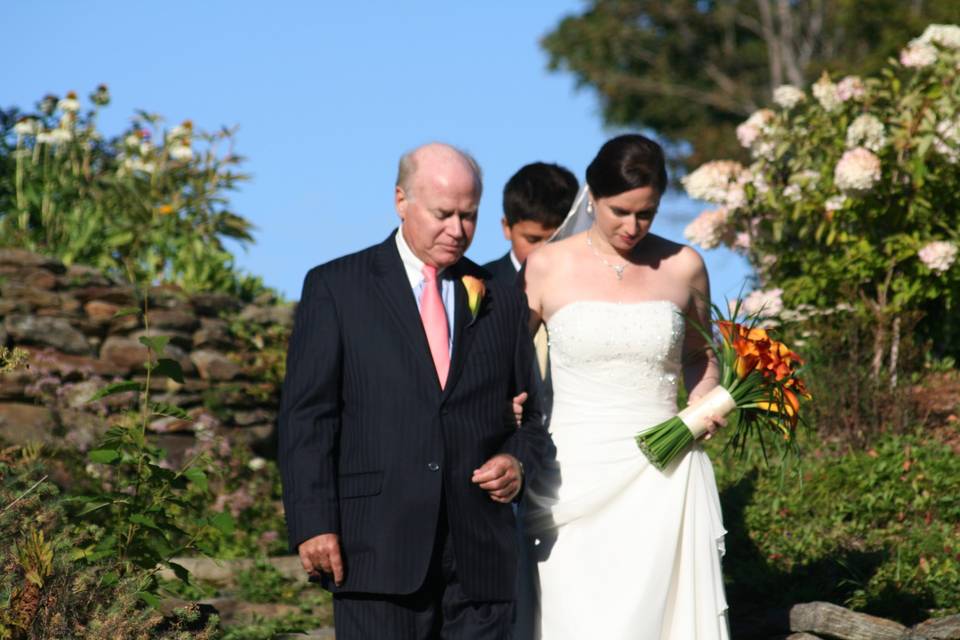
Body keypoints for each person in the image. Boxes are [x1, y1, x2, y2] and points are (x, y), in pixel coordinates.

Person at [278, 142, 551, 640]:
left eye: (469, 216)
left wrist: (516, 462)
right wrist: (314, 523)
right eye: (443, 213)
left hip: (479, 558)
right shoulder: (336, 288)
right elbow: (308, 418)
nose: (457, 230)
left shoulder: (505, 299)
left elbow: (532, 417)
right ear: (401, 201)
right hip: (375, 548)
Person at [522, 134, 730, 639]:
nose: (633, 227)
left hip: (663, 471)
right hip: (571, 472)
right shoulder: (546, 265)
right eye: (620, 211)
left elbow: (702, 357)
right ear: (591, 195)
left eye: (647, 214)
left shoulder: (684, 266)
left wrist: (705, 398)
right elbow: (503, 362)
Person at [483, 162, 579, 286]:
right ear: (507, 227)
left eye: (557, 239)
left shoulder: (593, 282)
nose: (544, 251)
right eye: (532, 239)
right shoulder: (482, 285)